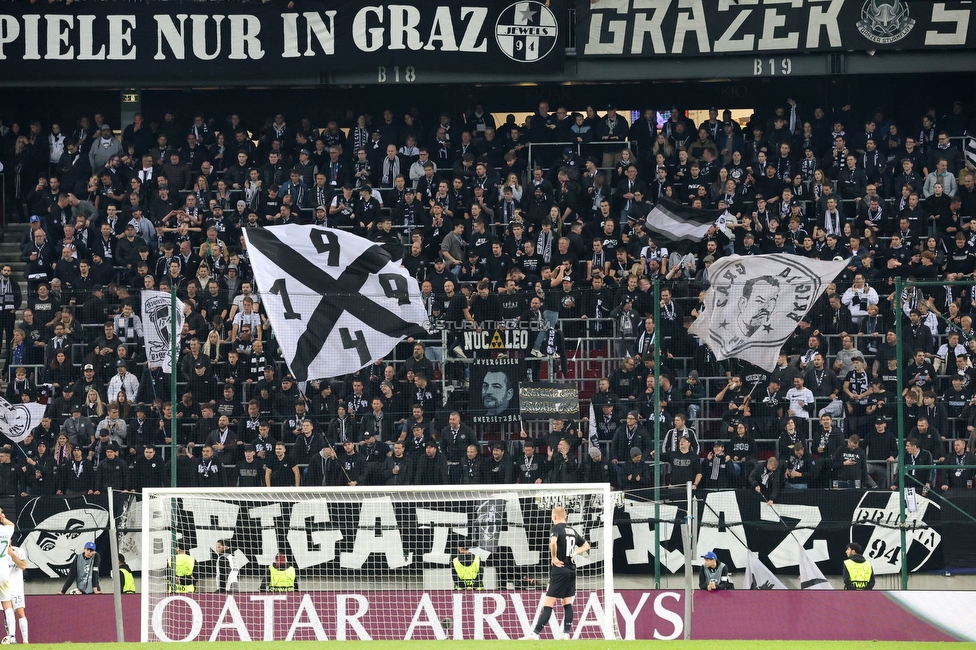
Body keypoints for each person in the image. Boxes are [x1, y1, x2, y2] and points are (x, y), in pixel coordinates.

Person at [522, 506, 590, 641]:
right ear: (565, 517)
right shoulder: (572, 530)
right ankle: (565, 634)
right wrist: (575, 552)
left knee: (548, 603)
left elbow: (553, 542)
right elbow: (586, 545)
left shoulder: (556, 528)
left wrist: (554, 557)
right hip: (571, 570)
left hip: (559, 571)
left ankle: (534, 634)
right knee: (567, 603)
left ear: (554, 517)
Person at [0, 544, 27, 643]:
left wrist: (12, 554)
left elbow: (23, 566)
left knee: (20, 612)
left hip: (16, 587)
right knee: (6, 612)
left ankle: (25, 641)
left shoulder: (19, 551)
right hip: (3, 585)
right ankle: (12, 638)